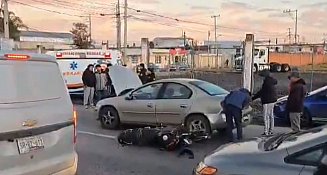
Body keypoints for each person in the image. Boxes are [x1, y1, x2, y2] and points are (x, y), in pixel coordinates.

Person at [252, 69, 278, 136]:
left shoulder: (266, 82)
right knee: (271, 115)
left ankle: (266, 131)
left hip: (267, 100)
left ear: (264, 76)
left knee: (266, 116)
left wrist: (253, 98)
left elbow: (261, 92)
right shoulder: (272, 81)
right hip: (273, 100)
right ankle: (271, 130)